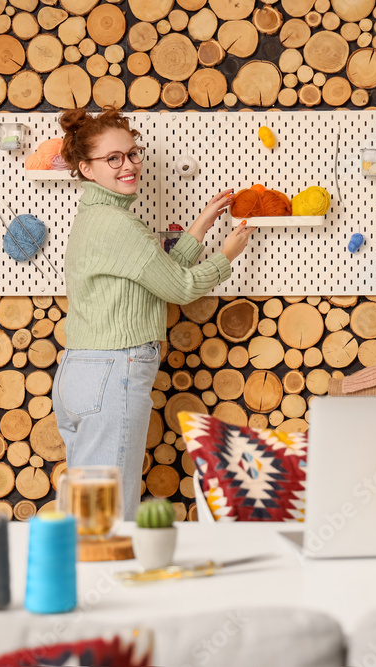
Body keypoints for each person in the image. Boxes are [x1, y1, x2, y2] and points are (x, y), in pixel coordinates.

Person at [52, 107, 253, 519]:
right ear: (87, 169)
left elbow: (157, 276)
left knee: (89, 511)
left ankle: (88, 580)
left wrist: (200, 225)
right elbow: (180, 288)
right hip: (113, 371)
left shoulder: (98, 218)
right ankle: (105, 583)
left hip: (80, 372)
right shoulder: (117, 225)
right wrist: (227, 255)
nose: (128, 165)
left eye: (132, 153)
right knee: (110, 516)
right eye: (113, 159)